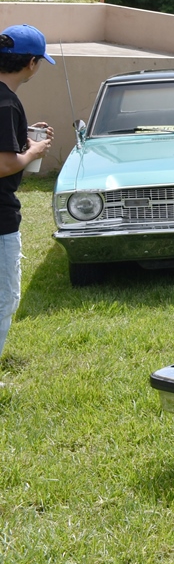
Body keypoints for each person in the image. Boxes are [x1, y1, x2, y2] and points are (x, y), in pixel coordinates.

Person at [0, 24, 55, 381]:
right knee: (5, 300)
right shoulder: (6, 101)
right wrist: (33, 149)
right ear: (31, 63)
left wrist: (22, 136)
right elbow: (4, 164)